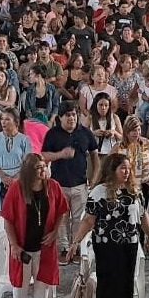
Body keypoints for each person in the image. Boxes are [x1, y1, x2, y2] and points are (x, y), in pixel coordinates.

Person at [67, 153, 149, 298]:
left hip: (129, 243)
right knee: (107, 283)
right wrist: (75, 242)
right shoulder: (99, 192)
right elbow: (88, 220)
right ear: (112, 170)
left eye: (128, 168)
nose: (127, 172)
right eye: (123, 168)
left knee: (125, 284)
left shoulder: (135, 191)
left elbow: (142, 214)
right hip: (105, 244)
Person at [0, 154, 69, 298]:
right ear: (29, 171)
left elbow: (62, 210)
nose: (43, 170)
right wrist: (14, 245)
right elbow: (8, 220)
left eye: (44, 166)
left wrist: (55, 232)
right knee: (20, 286)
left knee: (42, 284)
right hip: (23, 247)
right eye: (38, 167)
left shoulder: (53, 186)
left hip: (44, 247)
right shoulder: (17, 188)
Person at [41, 106, 97, 263]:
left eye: (74, 114)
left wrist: (94, 177)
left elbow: (94, 154)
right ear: (60, 117)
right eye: (67, 115)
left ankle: (76, 247)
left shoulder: (85, 132)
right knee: (62, 218)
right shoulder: (52, 134)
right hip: (59, 185)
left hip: (80, 183)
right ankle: (64, 249)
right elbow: (44, 155)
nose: (71, 118)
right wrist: (60, 154)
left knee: (80, 218)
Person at [0, 108, 33, 211]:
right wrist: (3, 177)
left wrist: (15, 179)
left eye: (7, 119)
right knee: (2, 213)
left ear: (16, 122)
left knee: (19, 212)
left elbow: (28, 163)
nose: (3, 122)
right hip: (0, 178)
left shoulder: (24, 140)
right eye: (2, 119)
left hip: (19, 179)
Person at [113, 115, 149, 210]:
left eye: (138, 130)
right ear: (127, 131)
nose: (137, 133)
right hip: (125, 186)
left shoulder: (146, 143)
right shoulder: (118, 147)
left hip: (144, 184)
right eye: (133, 130)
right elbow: (108, 166)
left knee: (142, 211)